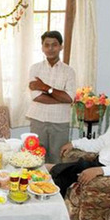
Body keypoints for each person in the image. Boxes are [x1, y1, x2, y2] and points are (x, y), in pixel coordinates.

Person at [26, 30, 76, 164]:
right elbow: (36, 97)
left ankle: (55, 185)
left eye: (54, 45)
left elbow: (69, 98)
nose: (50, 48)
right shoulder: (35, 69)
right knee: (36, 158)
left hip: (60, 121)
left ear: (61, 46)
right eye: (46, 45)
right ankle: (36, 185)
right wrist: (60, 96)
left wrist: (44, 87)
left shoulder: (69, 71)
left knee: (57, 159)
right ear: (42, 47)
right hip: (38, 119)